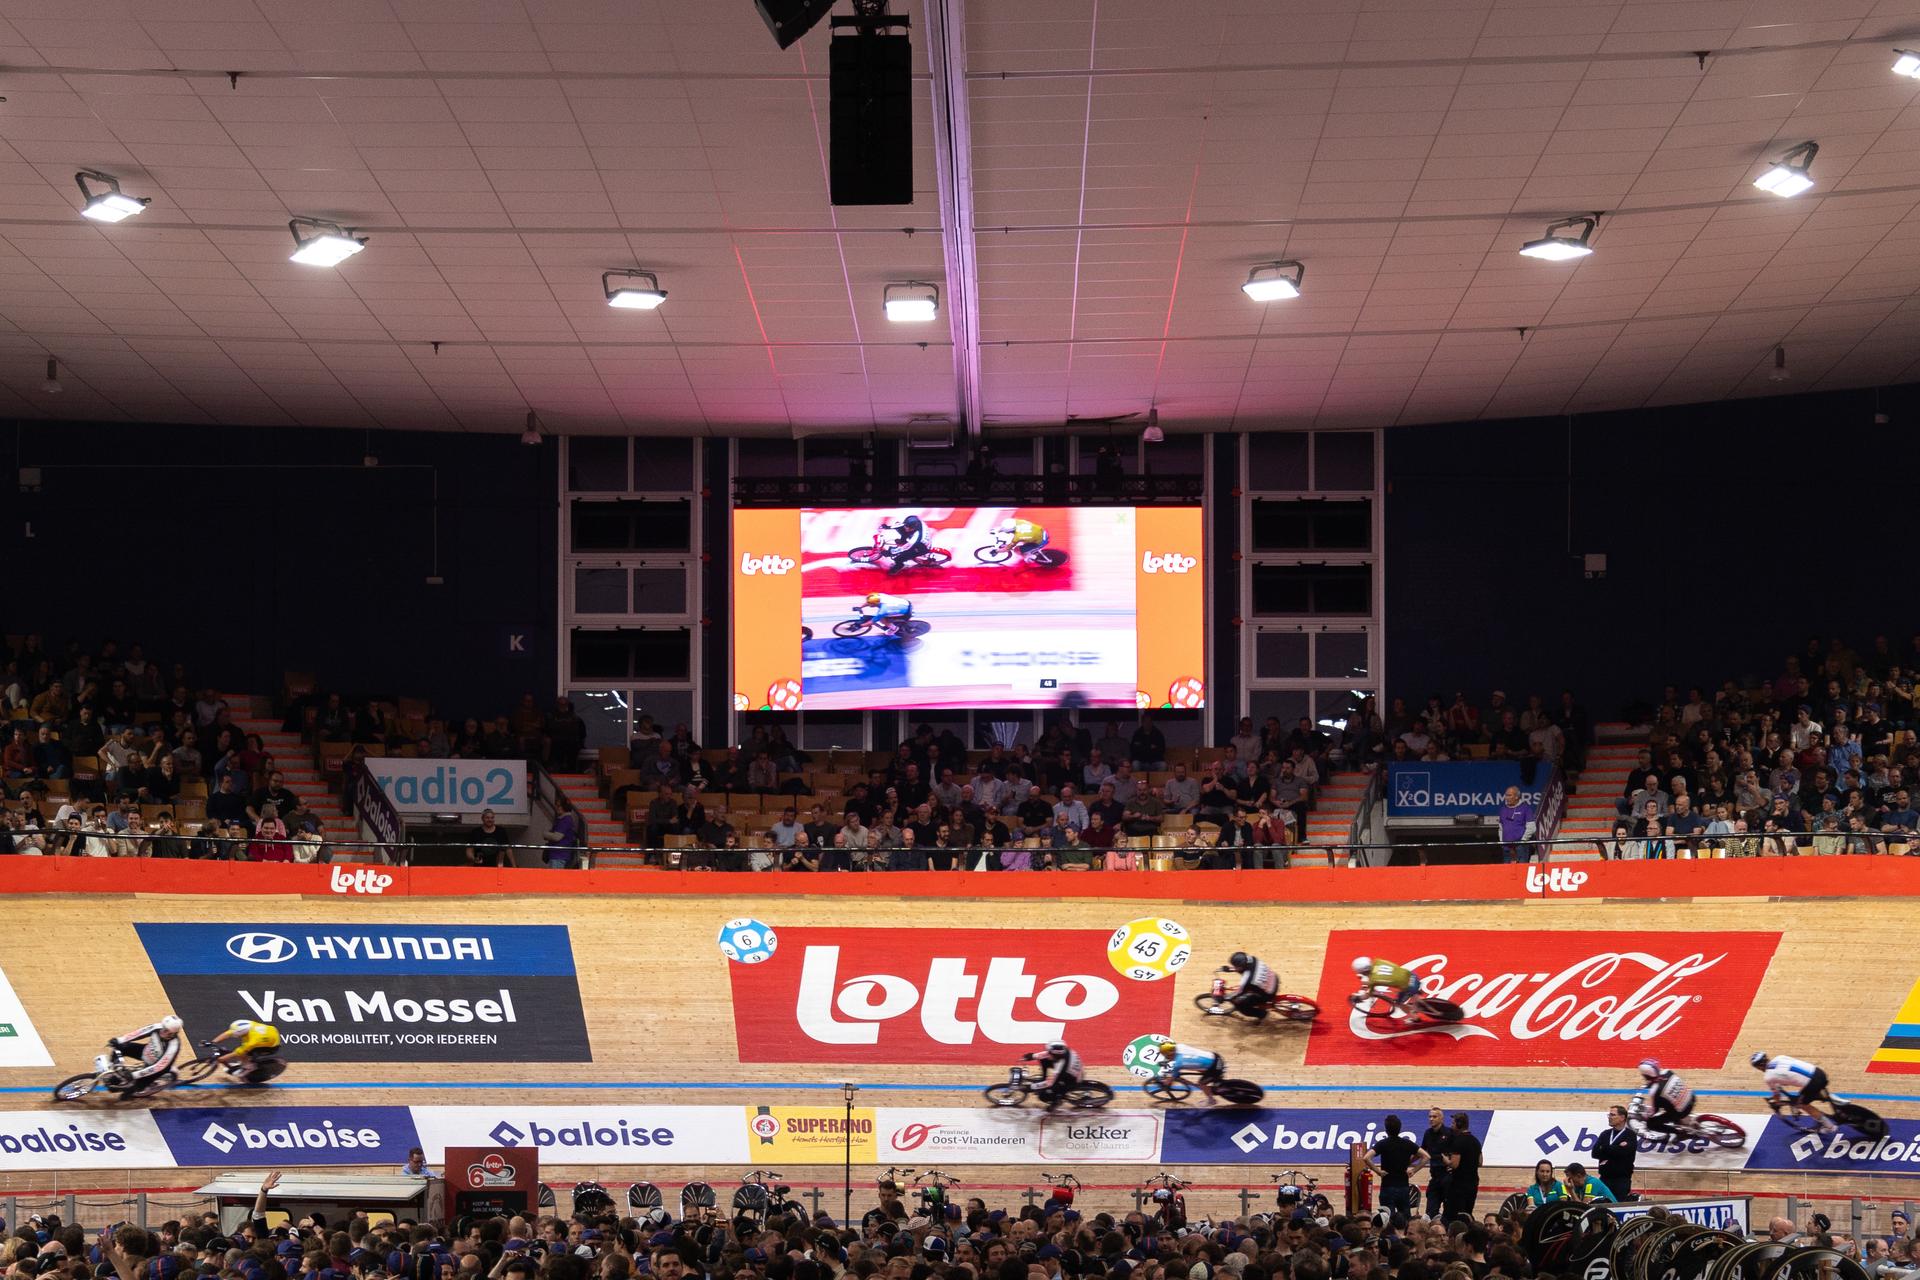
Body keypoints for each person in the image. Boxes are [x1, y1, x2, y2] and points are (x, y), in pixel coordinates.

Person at [1752, 1051, 1835, 1131]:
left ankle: (1829, 1127)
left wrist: (1776, 1103)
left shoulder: (1768, 1077)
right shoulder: (1779, 1057)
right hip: (1819, 1072)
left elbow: (1777, 1095)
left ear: (1759, 1067)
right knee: (1808, 1092)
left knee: (1802, 1104)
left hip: (1813, 1083)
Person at [106, 1014, 185, 1097]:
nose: (161, 1030)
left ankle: (130, 1091)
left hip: (157, 1067)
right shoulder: (158, 1027)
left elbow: (159, 1067)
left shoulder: (173, 1046)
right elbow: (140, 1032)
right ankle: (113, 1070)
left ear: (172, 1033)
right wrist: (119, 1040)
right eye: (163, 1027)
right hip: (146, 1052)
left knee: (133, 1089)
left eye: (165, 1030)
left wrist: (135, 1075)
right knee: (121, 1048)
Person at [1369, 1115, 1423, 1221]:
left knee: (1387, 1219)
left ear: (1386, 1130)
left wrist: (1378, 1171)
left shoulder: (1383, 1144)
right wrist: (1414, 1170)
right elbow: (1426, 1156)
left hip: (1387, 1187)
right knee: (1405, 1220)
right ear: (1400, 1128)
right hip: (1403, 1187)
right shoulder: (1407, 1143)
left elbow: (1366, 1158)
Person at [206, 1018, 287, 1084]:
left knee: (244, 1053)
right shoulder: (248, 1026)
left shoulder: (254, 1040)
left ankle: (249, 1068)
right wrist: (212, 1042)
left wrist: (222, 1059)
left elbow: (238, 1052)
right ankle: (245, 1063)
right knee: (243, 1051)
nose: (237, 1036)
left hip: (270, 1047)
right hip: (268, 1035)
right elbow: (228, 1034)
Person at [1151, 1037, 1227, 1102]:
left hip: (1215, 1067)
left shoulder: (1178, 1063)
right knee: (1198, 1067)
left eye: (1165, 1055)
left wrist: (1165, 1083)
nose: (1165, 1057)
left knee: (1201, 1084)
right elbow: (1175, 1058)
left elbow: (1172, 1077)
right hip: (1215, 1056)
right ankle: (1216, 1084)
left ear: (1169, 1054)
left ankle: (1211, 1100)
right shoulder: (1180, 1046)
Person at [1634, 1058, 1695, 1136]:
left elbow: (1654, 1111)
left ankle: (1679, 1133)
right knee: (1666, 1100)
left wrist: (1645, 1116)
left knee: (1651, 1123)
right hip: (1691, 1097)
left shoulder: (1655, 1091)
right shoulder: (1668, 1072)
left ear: (1645, 1075)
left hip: (1683, 1111)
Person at [1442, 1112, 1482, 1225]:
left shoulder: (1458, 1141)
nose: (1451, 1126)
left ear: (1459, 1125)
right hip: (1473, 1183)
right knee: (1467, 1215)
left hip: (1459, 1186)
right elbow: (1480, 1162)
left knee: (1454, 1217)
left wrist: (1444, 1159)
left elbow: (1454, 1164)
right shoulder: (1476, 1141)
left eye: (1453, 1123)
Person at [1592, 1104, 1637, 1200]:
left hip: (1621, 1180)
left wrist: (1605, 1149)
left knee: (1618, 1204)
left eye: (1612, 1115)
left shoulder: (1630, 1135)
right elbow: (1595, 1152)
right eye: (1609, 1115)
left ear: (1622, 1117)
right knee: (1601, 1204)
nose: (1609, 1117)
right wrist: (1617, 1147)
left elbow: (1624, 1153)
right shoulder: (1605, 1134)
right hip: (1604, 1178)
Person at [1352, 955, 1423, 1015]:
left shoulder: (1373, 981)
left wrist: (1358, 998)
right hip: (1413, 976)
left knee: (1399, 1003)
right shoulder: (1379, 961)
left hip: (1409, 987)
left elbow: (1367, 995)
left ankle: (1415, 1019)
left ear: (1362, 972)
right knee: (1411, 991)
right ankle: (1420, 999)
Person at [1023, 1041, 1083, 1110]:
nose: (1048, 1054)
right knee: (1044, 1059)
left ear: (1056, 1056)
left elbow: (1050, 1083)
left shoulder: (1061, 1067)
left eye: (1050, 1054)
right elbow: (1048, 1054)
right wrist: (1032, 1056)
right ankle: (1044, 1078)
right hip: (1072, 1069)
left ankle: (1057, 1101)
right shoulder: (1063, 1051)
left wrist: (1032, 1087)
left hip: (1072, 1079)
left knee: (1044, 1095)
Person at [1220, 951, 1280, 1020]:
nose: (1235, 967)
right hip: (1274, 978)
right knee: (1250, 988)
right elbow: (1245, 969)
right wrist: (1230, 969)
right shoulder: (1253, 959)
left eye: (1235, 966)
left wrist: (1225, 997)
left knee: (1240, 1004)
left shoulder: (1248, 981)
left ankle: (1263, 1014)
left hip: (1269, 993)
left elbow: (1238, 993)